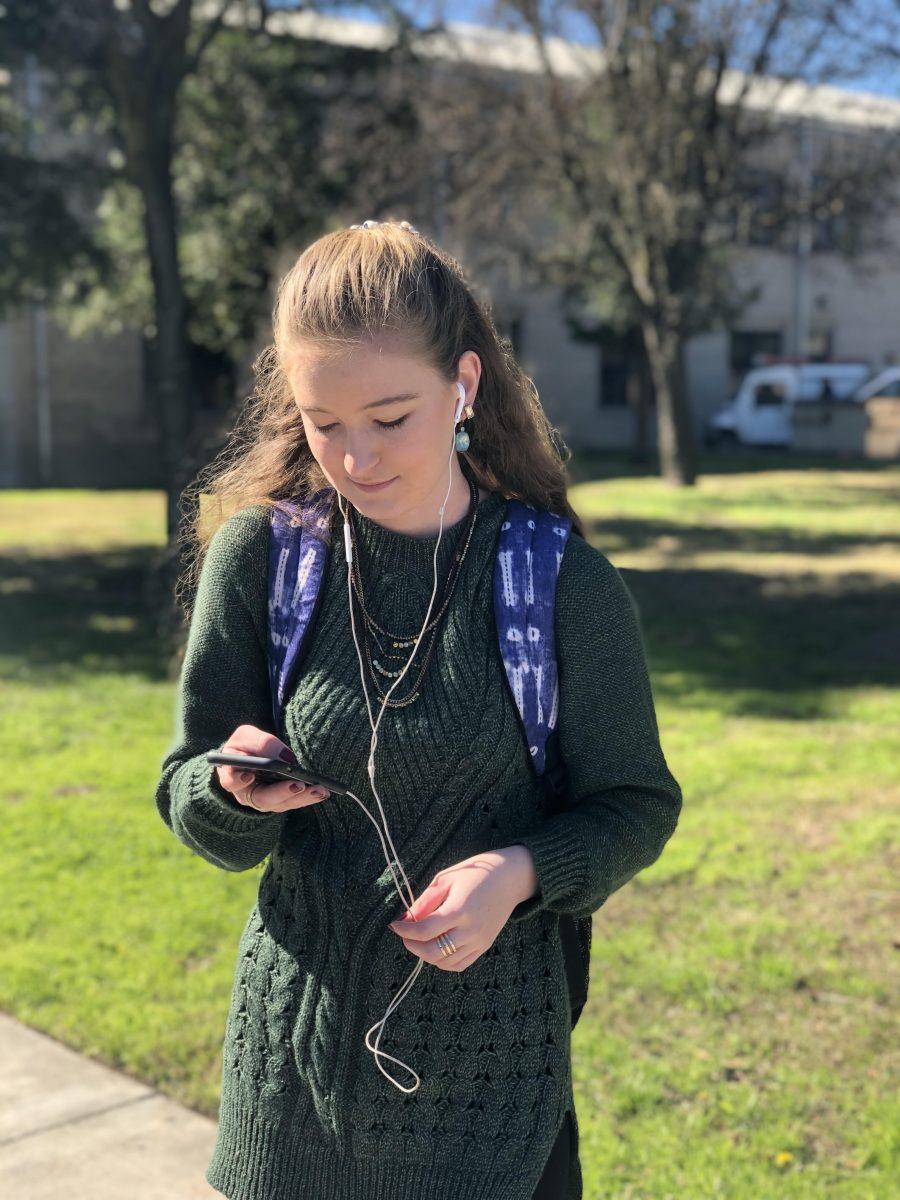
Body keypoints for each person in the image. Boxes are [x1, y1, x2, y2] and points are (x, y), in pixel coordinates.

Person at [155, 219, 683, 1200]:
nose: (355, 458)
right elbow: (188, 795)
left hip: (493, 1104)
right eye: (324, 421)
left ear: (464, 386)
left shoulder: (558, 584)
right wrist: (228, 789)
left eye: (390, 417)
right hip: (293, 1090)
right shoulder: (265, 563)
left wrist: (520, 871)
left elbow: (636, 804)